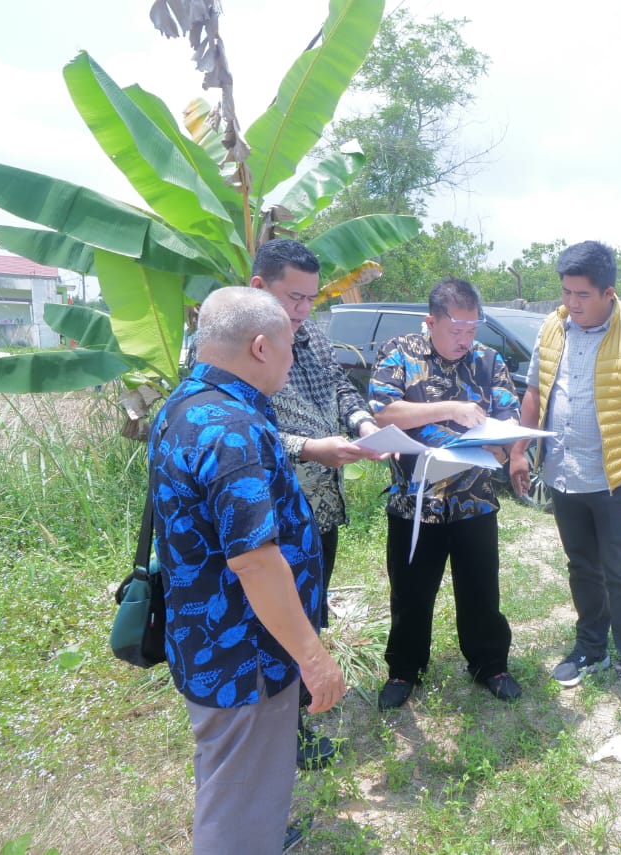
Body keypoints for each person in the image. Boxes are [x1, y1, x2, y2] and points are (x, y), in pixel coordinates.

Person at [148, 287, 346, 854]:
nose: (293, 357)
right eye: (289, 345)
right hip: (245, 652)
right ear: (261, 347)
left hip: (207, 640)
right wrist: (314, 658)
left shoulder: (187, 403)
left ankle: (250, 833)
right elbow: (255, 561)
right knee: (241, 785)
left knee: (233, 772)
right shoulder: (233, 430)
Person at [509, 240, 621, 732]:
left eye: (582, 294)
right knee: (581, 565)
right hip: (564, 474)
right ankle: (591, 647)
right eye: (566, 292)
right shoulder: (553, 326)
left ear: (608, 292)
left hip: (618, 478)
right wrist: (520, 450)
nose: (572, 303)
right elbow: (535, 390)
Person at [249, 238, 383, 769]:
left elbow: (340, 389)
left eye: (311, 298)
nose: (304, 309)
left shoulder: (313, 339)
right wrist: (307, 447)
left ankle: (305, 696)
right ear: (259, 288)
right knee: (275, 617)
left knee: (311, 607)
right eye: (294, 298)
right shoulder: (236, 345)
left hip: (320, 507)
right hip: (270, 515)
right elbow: (241, 427)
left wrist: (364, 424)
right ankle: (284, 730)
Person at [368, 278, 522, 709]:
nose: (465, 339)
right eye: (456, 329)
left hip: (475, 500)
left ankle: (490, 664)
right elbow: (383, 412)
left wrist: (502, 444)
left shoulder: (487, 360)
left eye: (472, 329)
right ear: (431, 321)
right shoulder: (400, 352)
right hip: (415, 501)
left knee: (481, 590)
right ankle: (404, 669)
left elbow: (509, 413)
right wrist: (450, 408)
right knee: (411, 593)